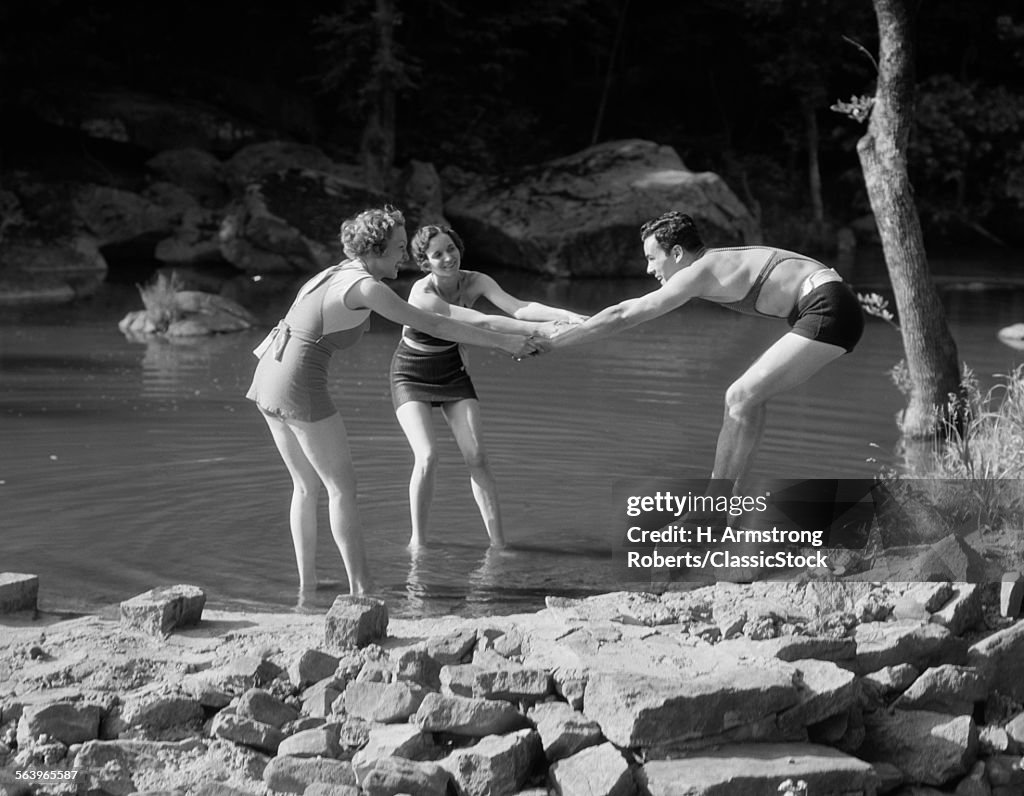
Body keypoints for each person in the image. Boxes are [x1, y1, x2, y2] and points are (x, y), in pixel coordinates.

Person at [246, 207, 537, 596]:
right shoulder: (367, 287)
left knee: (305, 488)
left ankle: (308, 590)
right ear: (376, 248)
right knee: (341, 490)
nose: (404, 255)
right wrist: (506, 342)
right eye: (400, 247)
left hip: (267, 375)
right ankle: (363, 590)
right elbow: (432, 324)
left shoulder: (331, 273)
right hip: (298, 382)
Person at [544, 210, 864, 502]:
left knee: (739, 395)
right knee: (748, 398)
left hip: (827, 307)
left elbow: (624, 314)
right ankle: (737, 496)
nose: (648, 268)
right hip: (831, 304)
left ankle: (712, 505)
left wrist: (560, 342)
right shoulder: (710, 265)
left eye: (652, 258)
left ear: (677, 253)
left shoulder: (698, 270)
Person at [391, 224, 586, 549]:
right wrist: (541, 329)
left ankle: (498, 544)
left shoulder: (475, 280)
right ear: (424, 262)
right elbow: (481, 322)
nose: (447, 258)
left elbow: (518, 307)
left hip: (452, 371)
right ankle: (418, 542)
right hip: (411, 373)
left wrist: (565, 315)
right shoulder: (422, 294)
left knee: (477, 456)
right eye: (437, 255)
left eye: (450, 249)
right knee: (427, 456)